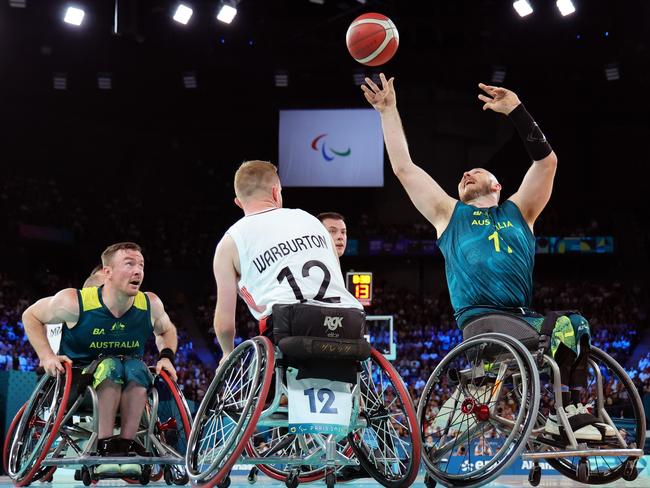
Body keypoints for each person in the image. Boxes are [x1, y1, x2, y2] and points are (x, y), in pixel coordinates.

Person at [362, 73, 613, 441]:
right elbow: (404, 168)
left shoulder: (520, 210)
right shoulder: (448, 214)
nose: (466, 172)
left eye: (475, 171)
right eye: (464, 173)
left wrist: (517, 111)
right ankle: (566, 413)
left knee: (576, 324)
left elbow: (547, 163)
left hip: (520, 319)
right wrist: (388, 110)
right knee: (565, 326)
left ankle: (570, 410)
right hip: (481, 321)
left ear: (497, 185)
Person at [22, 242, 179, 475]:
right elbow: (31, 315)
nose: (138, 271)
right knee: (110, 365)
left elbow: (166, 330)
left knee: (137, 368)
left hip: (131, 380)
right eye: (129, 264)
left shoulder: (150, 304)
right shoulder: (75, 302)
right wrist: (46, 356)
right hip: (79, 384)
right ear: (107, 273)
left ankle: (125, 445)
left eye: (141, 265)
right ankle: (105, 447)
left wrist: (166, 357)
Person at [212, 161, 363, 361]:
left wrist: (226, 353)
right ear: (276, 193)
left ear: (238, 202)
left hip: (289, 328)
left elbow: (225, 325)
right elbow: (337, 276)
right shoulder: (312, 221)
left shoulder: (229, 243)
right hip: (349, 321)